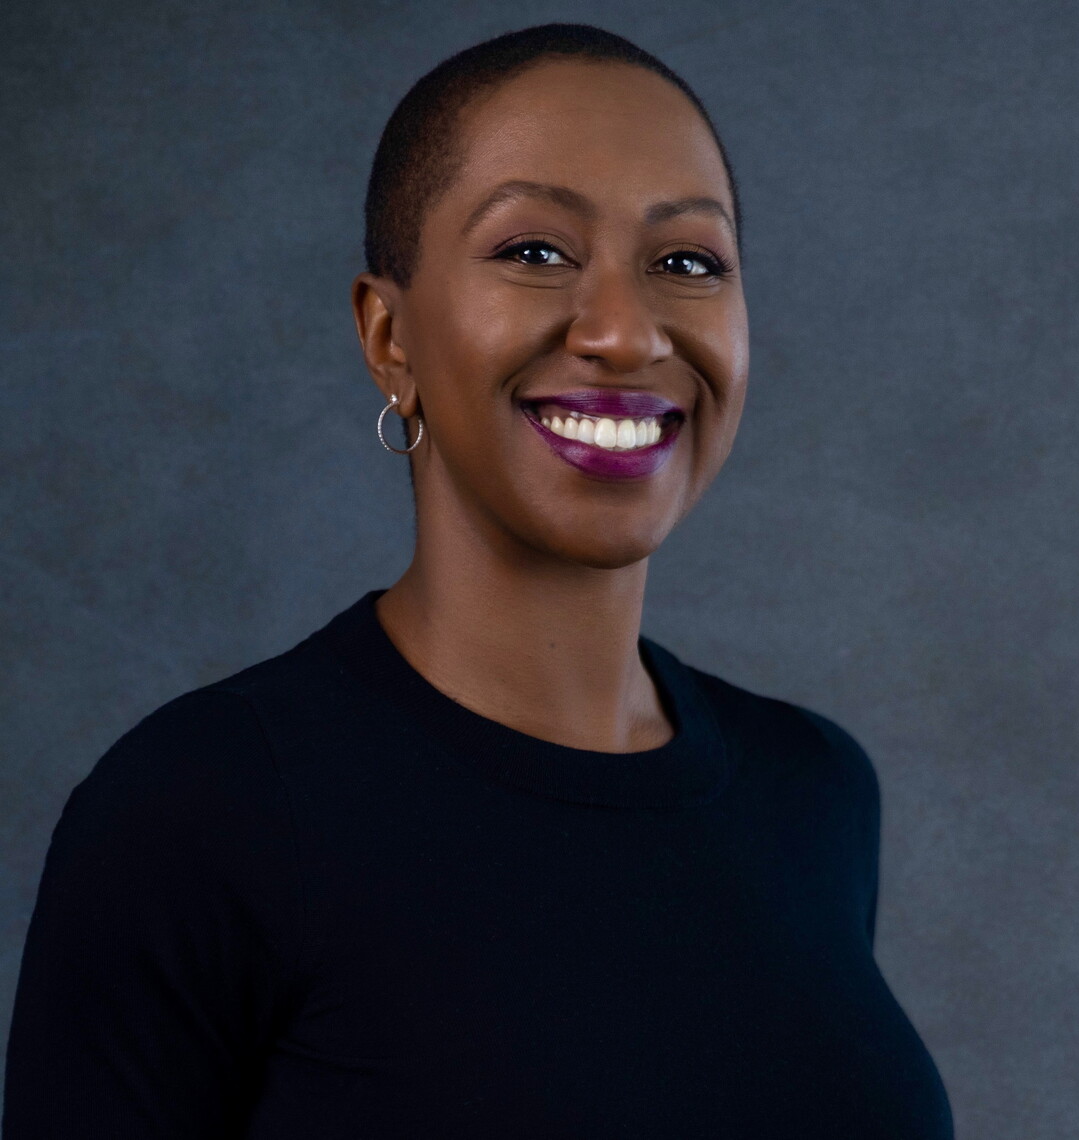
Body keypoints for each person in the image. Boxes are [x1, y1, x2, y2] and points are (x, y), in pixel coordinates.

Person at [3, 23, 955, 1138]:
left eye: (687, 263)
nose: (622, 331)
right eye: (535, 251)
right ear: (389, 332)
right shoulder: (201, 811)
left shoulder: (818, 791)